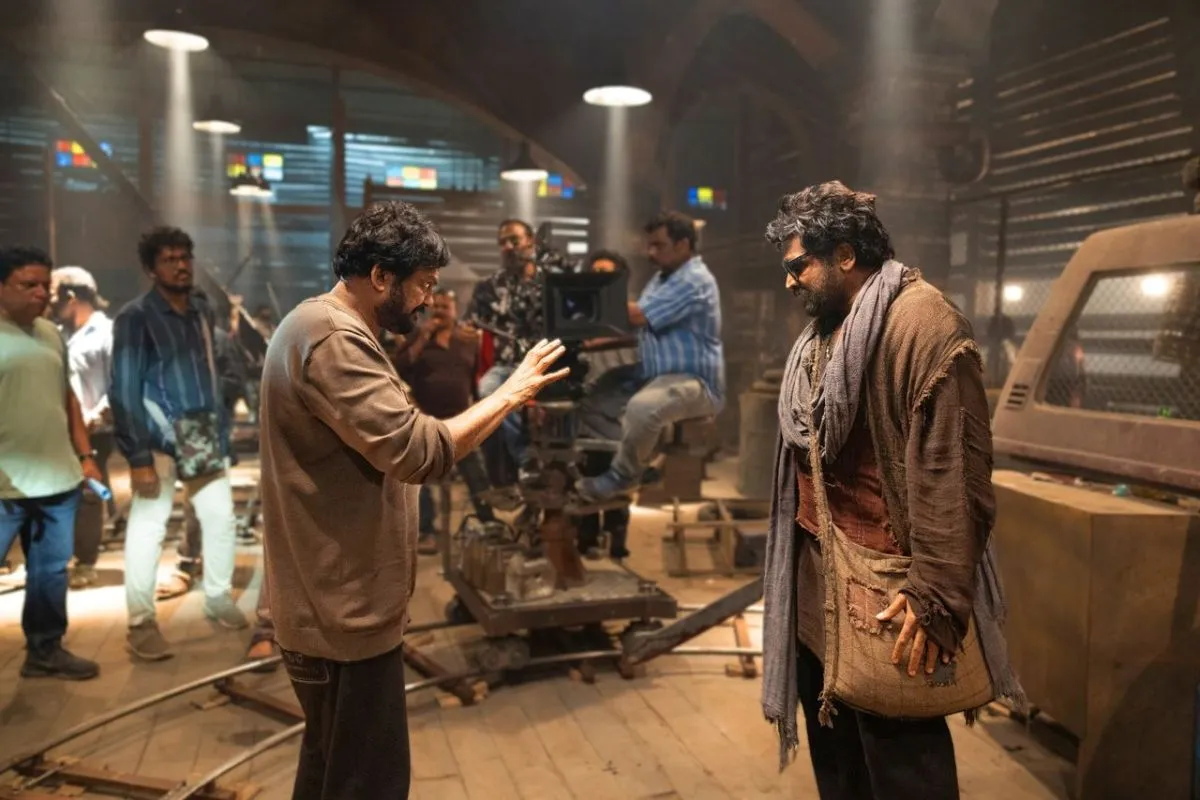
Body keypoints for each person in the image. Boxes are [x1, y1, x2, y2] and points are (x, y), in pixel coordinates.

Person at [258, 201, 567, 800]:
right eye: (423, 284)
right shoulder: (332, 338)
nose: (428, 299)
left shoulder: (322, 326)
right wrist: (512, 392)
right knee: (368, 784)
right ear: (381, 276)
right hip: (342, 615)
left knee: (330, 774)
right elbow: (419, 451)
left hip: (332, 607)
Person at [758, 181, 1024, 799]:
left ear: (845, 254)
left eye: (799, 266)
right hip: (818, 577)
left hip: (890, 594)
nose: (790, 282)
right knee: (839, 759)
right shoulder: (828, 328)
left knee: (903, 765)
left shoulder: (922, 325)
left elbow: (953, 475)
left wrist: (934, 594)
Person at [111, 226, 248, 662]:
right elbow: (124, 387)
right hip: (157, 440)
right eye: (169, 259)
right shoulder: (135, 317)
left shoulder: (201, 312)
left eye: (185, 257)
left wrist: (221, 429)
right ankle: (140, 622)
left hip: (203, 437)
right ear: (152, 269)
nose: (181, 265)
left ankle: (218, 597)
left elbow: (213, 372)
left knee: (221, 520)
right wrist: (137, 455)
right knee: (149, 528)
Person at [0, 246, 101, 680]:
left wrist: (86, 456)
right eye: (29, 284)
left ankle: (45, 650)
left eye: (46, 285)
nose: (41, 293)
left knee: (51, 572)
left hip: (58, 480)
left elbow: (68, 397)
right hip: (5, 485)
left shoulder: (50, 333)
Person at [576, 211, 725, 501]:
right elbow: (638, 328)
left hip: (693, 380)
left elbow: (637, 316)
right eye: (649, 245)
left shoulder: (693, 280)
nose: (650, 253)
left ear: (682, 245)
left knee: (641, 408)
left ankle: (623, 476)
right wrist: (587, 342)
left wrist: (580, 297)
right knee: (593, 397)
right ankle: (637, 462)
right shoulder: (662, 279)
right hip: (653, 372)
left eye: (658, 245)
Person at [392, 287, 495, 553]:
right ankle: (427, 531)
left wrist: (477, 406)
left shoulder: (468, 340)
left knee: (477, 475)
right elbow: (397, 368)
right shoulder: (417, 336)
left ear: (454, 310)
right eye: (435, 307)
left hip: (463, 420)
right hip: (425, 422)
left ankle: (490, 525)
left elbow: (474, 378)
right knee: (421, 481)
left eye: (444, 307)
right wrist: (423, 337)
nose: (438, 311)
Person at [50, 266, 115, 590]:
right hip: (60, 430)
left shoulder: (106, 332)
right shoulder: (57, 334)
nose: (48, 300)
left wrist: (97, 414)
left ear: (71, 297)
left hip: (95, 430)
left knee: (89, 494)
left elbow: (116, 381)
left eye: (53, 294)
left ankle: (86, 561)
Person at [466, 219, 546, 483]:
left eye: (514, 240)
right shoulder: (488, 287)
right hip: (507, 367)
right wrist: (467, 332)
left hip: (546, 364)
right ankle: (525, 458)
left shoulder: (550, 281)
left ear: (530, 241)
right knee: (488, 389)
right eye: (502, 242)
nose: (508, 247)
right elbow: (469, 323)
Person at [575, 250, 638, 559]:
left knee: (619, 476)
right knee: (587, 473)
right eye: (595, 272)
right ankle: (586, 539)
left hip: (622, 409)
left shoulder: (633, 315)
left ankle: (616, 541)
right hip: (587, 411)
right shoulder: (578, 317)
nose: (601, 278)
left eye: (608, 273)